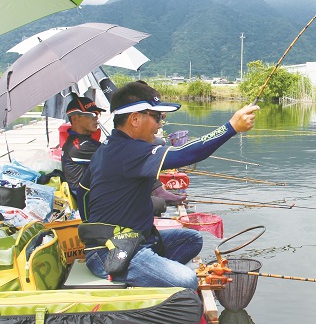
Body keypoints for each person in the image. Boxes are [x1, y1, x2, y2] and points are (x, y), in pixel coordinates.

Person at [79, 81, 259, 289]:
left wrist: (96, 232)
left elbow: (82, 193)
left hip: (132, 240)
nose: (160, 125)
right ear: (135, 119)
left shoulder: (109, 148)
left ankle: (152, 271)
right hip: (114, 252)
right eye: (156, 117)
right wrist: (231, 127)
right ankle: (137, 274)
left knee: (191, 239)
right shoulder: (129, 151)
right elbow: (186, 154)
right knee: (186, 280)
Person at [61, 96, 184, 214]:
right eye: (92, 115)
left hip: (101, 189)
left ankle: (156, 190)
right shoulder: (79, 146)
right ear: (75, 119)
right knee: (158, 204)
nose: (96, 119)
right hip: (94, 199)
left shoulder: (84, 141)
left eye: (98, 114)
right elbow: (121, 157)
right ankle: (157, 190)